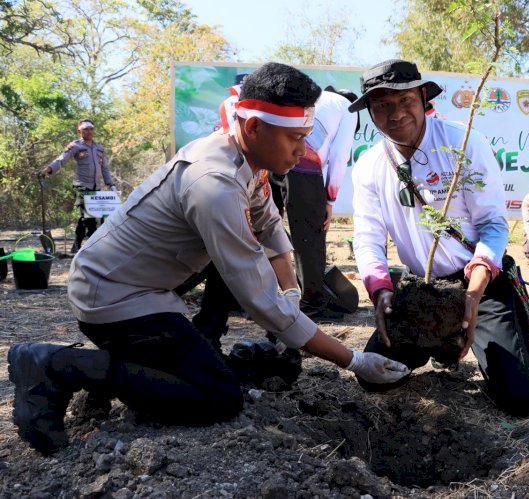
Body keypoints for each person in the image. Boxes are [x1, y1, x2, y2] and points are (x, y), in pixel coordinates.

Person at [7, 62, 409, 455]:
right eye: (295, 139)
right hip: (113, 299)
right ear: (254, 126)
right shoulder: (214, 183)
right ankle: (56, 365)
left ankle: (193, 350)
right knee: (215, 397)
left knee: (232, 287)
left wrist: (290, 288)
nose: (303, 151)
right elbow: (259, 299)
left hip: (147, 281)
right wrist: (353, 359)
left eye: (306, 136)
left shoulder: (244, 156)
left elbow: (268, 226)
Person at [347, 59, 529, 417]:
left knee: (521, 399)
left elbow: (493, 224)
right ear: (370, 112)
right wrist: (380, 291)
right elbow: (368, 240)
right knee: (376, 376)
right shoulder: (368, 166)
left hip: (480, 280)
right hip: (424, 289)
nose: (396, 114)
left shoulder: (463, 144)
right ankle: (443, 344)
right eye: (382, 105)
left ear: (422, 97)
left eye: (405, 101)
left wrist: (472, 296)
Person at [278, 86, 360, 317]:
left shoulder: (318, 99)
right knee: (310, 236)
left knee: (266, 228)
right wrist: (329, 200)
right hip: (301, 163)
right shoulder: (349, 108)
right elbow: (340, 156)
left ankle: (253, 294)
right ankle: (313, 303)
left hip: (270, 154)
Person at [40, 119, 116, 252]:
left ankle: (76, 245)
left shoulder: (99, 147)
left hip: (95, 186)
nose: (89, 131)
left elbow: (104, 168)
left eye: (91, 129)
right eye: (85, 129)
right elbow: (62, 159)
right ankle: (95, 248)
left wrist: (110, 184)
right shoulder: (75, 146)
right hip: (82, 185)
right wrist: (49, 169)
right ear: (79, 131)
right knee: (90, 218)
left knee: (85, 217)